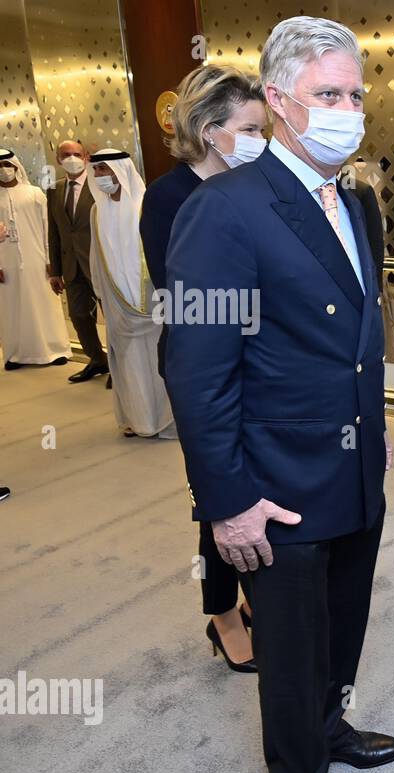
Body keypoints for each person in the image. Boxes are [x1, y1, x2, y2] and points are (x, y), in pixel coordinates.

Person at [164, 14, 394, 773]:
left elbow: (354, 342)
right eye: (328, 94)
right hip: (277, 482)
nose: (349, 109)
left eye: (356, 94)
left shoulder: (359, 201)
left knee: (345, 620)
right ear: (277, 101)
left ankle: (330, 726)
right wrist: (226, 502)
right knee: (291, 646)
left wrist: (374, 441)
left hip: (353, 463)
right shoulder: (224, 209)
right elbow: (196, 371)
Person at [140, 63, 266, 671]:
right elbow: (182, 295)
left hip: (266, 363)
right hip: (205, 369)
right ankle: (221, 615)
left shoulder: (258, 182)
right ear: (211, 129)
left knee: (260, 482)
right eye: (248, 128)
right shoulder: (168, 197)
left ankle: (253, 595)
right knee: (220, 490)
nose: (260, 140)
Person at [86, 149, 176, 439]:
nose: (101, 176)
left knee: (157, 362)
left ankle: (165, 421)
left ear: (122, 170)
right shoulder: (96, 211)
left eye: (106, 169)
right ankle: (138, 421)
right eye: (96, 170)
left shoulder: (143, 205)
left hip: (151, 303)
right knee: (128, 364)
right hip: (117, 304)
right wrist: (101, 293)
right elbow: (95, 257)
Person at [0, 149, 71, 370]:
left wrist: (51, 258)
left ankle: (56, 349)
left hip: (38, 257)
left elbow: (48, 228)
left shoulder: (35, 193)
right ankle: (14, 354)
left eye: (7, 165)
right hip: (6, 261)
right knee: (11, 307)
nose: (4, 170)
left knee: (45, 302)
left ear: (15, 166)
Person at [47, 141, 108, 384]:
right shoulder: (54, 188)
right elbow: (54, 231)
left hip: (99, 263)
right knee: (79, 315)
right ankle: (97, 359)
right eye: (66, 155)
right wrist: (55, 270)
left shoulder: (99, 184)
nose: (71, 158)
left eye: (76, 154)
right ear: (58, 158)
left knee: (111, 317)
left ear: (86, 157)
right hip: (71, 265)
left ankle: (118, 364)